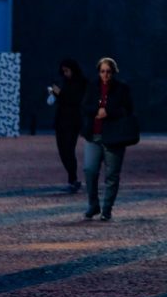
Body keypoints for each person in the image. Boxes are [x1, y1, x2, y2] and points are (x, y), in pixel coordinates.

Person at [81, 57, 133, 221]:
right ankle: (93, 204)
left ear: (113, 72)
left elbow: (127, 109)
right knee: (90, 170)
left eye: (108, 71)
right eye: (102, 71)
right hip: (94, 135)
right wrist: (97, 110)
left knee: (111, 174)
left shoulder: (122, 89)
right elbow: (85, 106)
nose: (105, 75)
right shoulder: (92, 86)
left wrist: (108, 112)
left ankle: (107, 208)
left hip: (114, 137)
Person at [50, 59, 88, 192]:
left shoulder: (81, 82)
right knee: (63, 150)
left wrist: (58, 93)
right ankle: (72, 179)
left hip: (73, 119)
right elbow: (57, 95)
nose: (65, 73)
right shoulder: (62, 81)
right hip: (62, 119)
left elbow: (74, 98)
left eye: (67, 70)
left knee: (68, 150)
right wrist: (54, 93)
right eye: (63, 71)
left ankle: (73, 179)